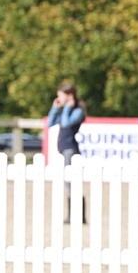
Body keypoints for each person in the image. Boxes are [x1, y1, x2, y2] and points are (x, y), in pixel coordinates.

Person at [47, 81, 87, 223]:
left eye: (61, 96)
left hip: (71, 150)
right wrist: (54, 108)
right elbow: (50, 123)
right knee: (68, 182)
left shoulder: (77, 111)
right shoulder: (65, 110)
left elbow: (65, 123)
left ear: (69, 96)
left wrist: (66, 108)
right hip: (64, 149)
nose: (59, 99)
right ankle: (72, 215)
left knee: (72, 182)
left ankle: (79, 216)